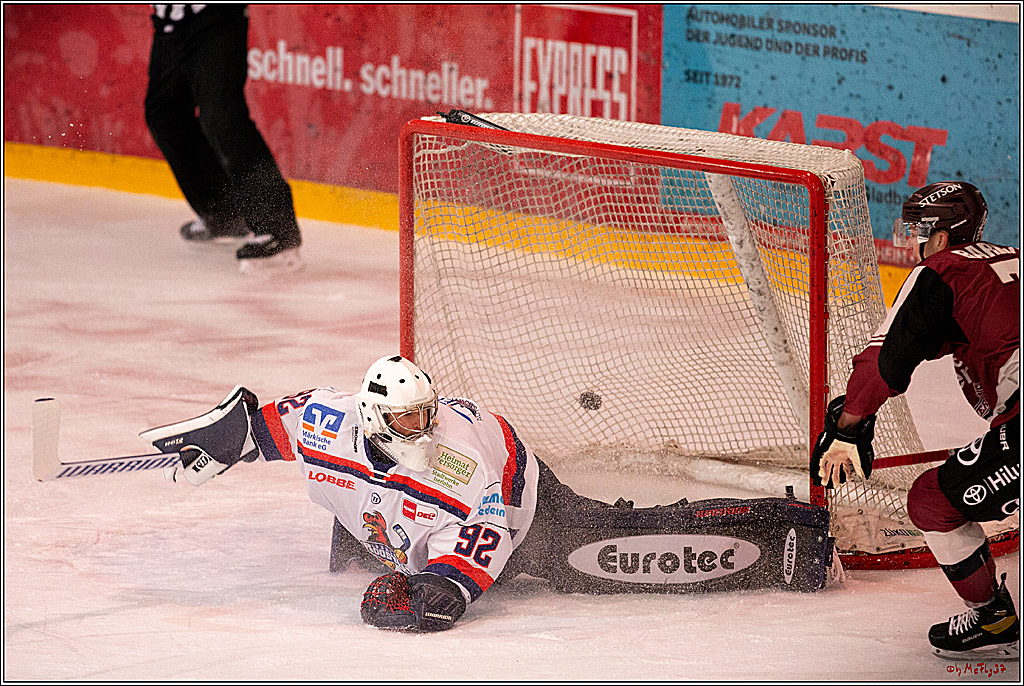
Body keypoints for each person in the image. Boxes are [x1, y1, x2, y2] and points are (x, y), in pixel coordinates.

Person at [142, 356, 836, 631]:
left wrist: (441, 591)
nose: (423, 425)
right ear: (375, 418)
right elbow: (266, 424)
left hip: (523, 501)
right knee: (380, 540)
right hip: (406, 508)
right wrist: (225, 441)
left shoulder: (454, 465)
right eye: (409, 419)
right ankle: (370, 530)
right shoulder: (330, 419)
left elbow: (484, 541)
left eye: (426, 412)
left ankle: (784, 533)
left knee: (596, 556)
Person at [810, 181, 1019, 660]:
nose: (916, 244)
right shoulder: (1009, 263)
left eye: (920, 233)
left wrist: (848, 425)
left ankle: (994, 619)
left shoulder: (943, 270)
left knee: (931, 500)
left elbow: (887, 359)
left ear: (941, 237)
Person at [144, 4, 301, 271]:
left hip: (217, 17)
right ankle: (223, 213)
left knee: (221, 115)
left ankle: (277, 228)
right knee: (164, 113)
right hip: (169, 22)